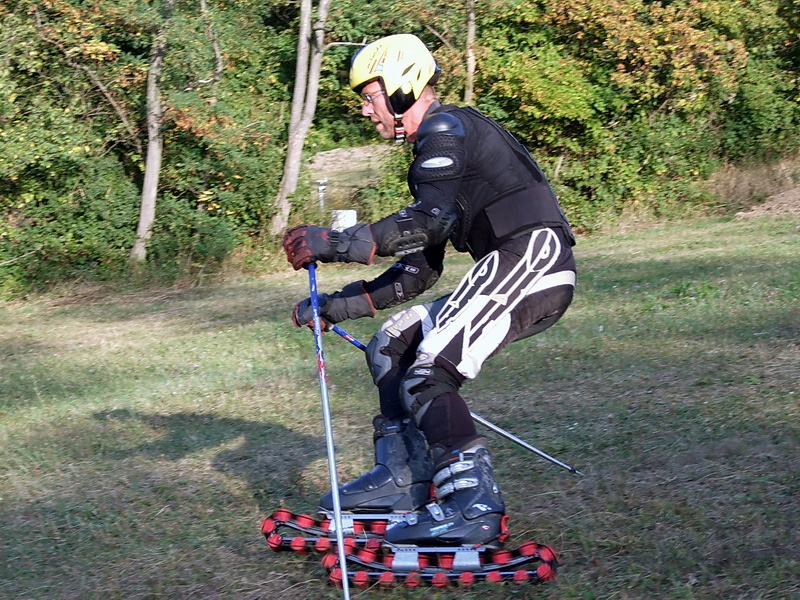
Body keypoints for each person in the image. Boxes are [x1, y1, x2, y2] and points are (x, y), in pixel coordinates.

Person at [283, 34, 576, 548]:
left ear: (401, 88)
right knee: (392, 343)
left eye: (370, 96)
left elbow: (428, 222)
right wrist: (337, 306)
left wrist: (333, 242)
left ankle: (472, 505)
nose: (366, 110)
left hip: (534, 258)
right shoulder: (440, 148)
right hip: (515, 262)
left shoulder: (446, 127)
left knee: (430, 370)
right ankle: (404, 478)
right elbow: (419, 269)